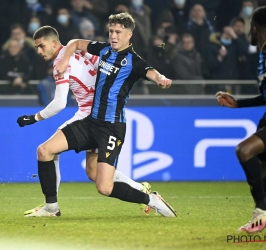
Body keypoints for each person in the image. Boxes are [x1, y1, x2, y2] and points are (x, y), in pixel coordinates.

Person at [18, 13, 177, 218]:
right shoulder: (103, 50)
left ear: (129, 35)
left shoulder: (134, 62)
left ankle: (150, 199)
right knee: (45, 151)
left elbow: (151, 72)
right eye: (111, 31)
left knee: (103, 186)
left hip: (111, 128)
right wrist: (65, 58)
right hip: (90, 122)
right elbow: (75, 42)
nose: (113, 35)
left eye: (118, 32)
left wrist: (161, 78)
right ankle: (51, 208)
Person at [215, 6, 266, 233]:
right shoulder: (263, 52)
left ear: (255, 28)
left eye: (250, 29)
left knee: (244, 150)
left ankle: (262, 212)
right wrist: (239, 104)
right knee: (262, 168)